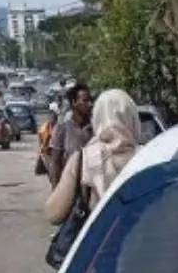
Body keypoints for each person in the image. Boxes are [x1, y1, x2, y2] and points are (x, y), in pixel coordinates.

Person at [45, 89, 141, 227]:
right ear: (132, 117)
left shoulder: (83, 160)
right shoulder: (148, 157)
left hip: (98, 244)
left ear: (97, 117)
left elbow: (53, 214)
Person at [46, 81, 93, 185]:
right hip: (70, 184)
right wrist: (56, 188)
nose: (90, 104)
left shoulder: (95, 126)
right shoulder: (63, 126)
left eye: (90, 100)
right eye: (85, 101)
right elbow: (55, 161)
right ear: (73, 102)